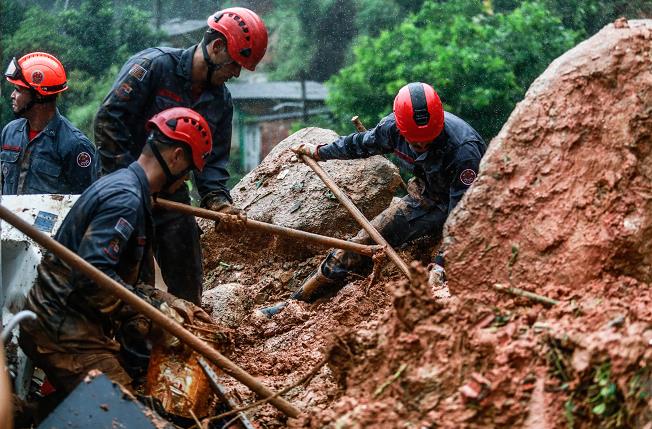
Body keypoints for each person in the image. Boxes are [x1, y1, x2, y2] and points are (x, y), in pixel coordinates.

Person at [19, 107, 214, 399]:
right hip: (61, 331)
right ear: (175, 157)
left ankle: (25, 417)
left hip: (68, 324)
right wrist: (159, 316)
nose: (185, 180)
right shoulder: (125, 199)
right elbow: (94, 278)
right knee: (128, 414)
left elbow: (118, 280)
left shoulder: (127, 187)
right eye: (188, 170)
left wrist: (170, 302)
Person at [261, 82, 486, 316]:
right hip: (426, 200)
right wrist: (319, 151)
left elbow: (465, 213)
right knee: (360, 243)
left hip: (466, 206)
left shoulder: (464, 150)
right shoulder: (391, 128)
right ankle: (294, 303)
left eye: (428, 139)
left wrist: (441, 263)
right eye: (415, 142)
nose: (422, 145)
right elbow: (359, 144)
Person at [94, 7, 268, 304]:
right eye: (235, 64)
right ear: (216, 47)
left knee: (188, 277)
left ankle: (188, 339)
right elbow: (109, 123)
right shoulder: (152, 66)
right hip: (124, 189)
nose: (236, 73)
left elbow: (212, 163)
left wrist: (219, 203)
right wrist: (130, 184)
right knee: (135, 286)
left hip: (172, 194)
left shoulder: (221, 102)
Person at [1, 52, 98, 195]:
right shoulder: (10, 132)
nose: (12, 95)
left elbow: (88, 203)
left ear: (39, 95)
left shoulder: (76, 146)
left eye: (18, 90)